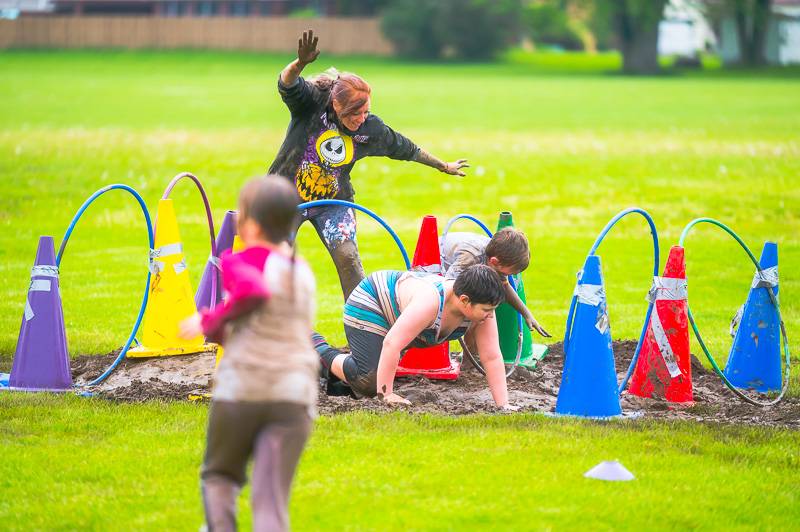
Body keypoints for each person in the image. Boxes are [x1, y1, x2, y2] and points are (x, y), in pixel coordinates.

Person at [269, 29, 469, 301]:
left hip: (333, 202)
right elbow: (287, 83)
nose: (362, 118)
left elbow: (405, 148)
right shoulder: (312, 102)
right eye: (356, 113)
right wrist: (300, 63)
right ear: (337, 105)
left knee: (349, 258)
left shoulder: (370, 129)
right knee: (277, 263)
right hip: (284, 197)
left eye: (366, 111)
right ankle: (278, 330)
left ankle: (361, 326)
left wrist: (442, 165)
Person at [180, 176, 317, 532]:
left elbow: (250, 297)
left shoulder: (244, 262)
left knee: (220, 475)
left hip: (243, 389)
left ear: (251, 225)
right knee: (271, 501)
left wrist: (207, 321)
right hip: (295, 394)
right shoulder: (302, 273)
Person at [313, 264, 516, 408]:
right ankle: (318, 349)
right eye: (487, 310)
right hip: (371, 301)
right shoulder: (430, 302)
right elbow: (392, 343)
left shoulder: (482, 305)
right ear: (464, 300)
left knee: (379, 370)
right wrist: (387, 395)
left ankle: (352, 366)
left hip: (399, 312)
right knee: (369, 383)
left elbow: (491, 356)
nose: (491, 315)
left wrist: (503, 405)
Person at [440, 227, 551, 338]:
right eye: (508, 273)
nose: (509, 276)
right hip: (430, 267)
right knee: (474, 309)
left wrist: (527, 314)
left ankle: (471, 354)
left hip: (450, 276)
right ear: (494, 262)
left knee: (479, 313)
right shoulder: (471, 256)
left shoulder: (498, 257)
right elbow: (448, 289)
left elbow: (505, 285)